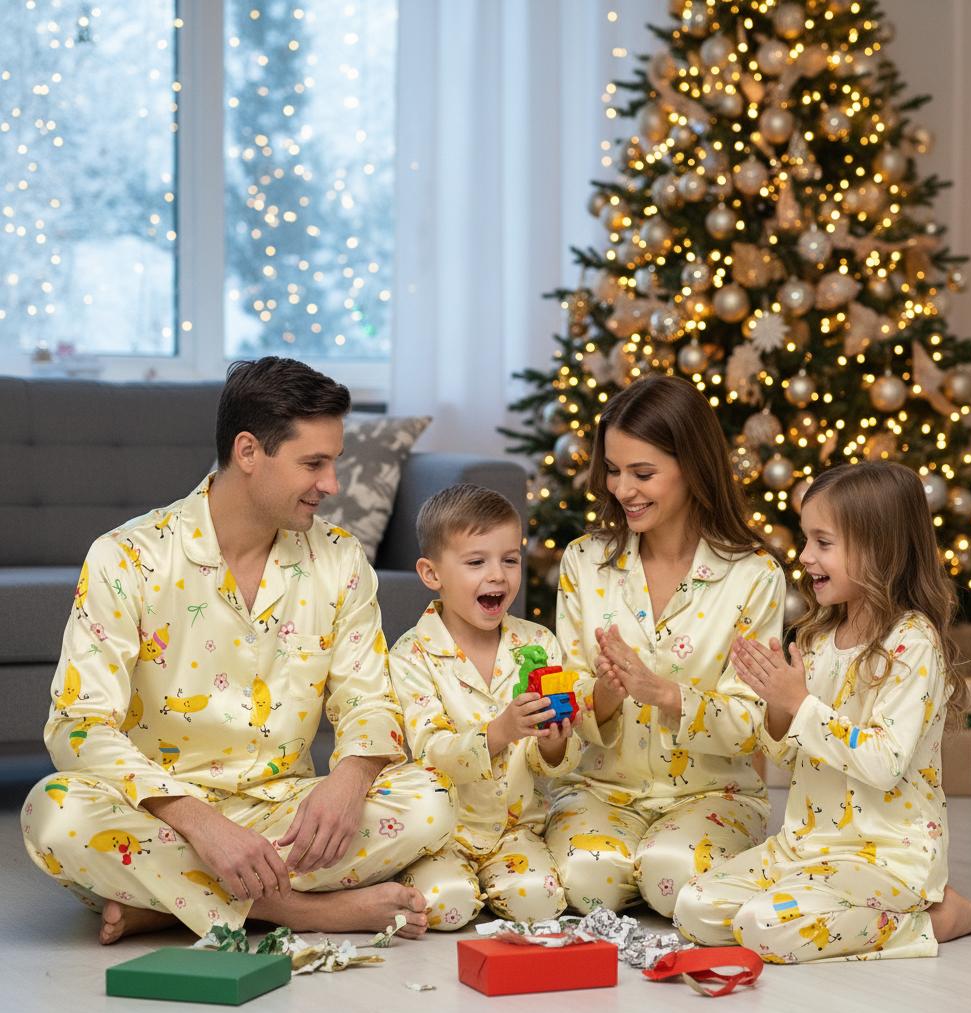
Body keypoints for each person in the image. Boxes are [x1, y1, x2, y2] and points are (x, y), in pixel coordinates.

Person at [21, 357, 454, 944]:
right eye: (314, 463)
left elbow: (369, 703)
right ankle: (300, 912)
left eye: (334, 462)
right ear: (249, 452)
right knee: (55, 814)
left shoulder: (341, 559)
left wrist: (347, 781)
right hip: (161, 815)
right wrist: (199, 822)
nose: (331, 485)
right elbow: (78, 724)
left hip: (283, 812)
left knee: (431, 801)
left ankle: (170, 904)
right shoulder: (126, 557)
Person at [674, 461, 971, 962]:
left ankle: (934, 921)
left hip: (885, 856)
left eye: (823, 543)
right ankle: (815, 906)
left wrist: (799, 704)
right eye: (807, 541)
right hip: (806, 847)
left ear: (878, 550)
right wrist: (779, 706)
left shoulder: (911, 643)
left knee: (764, 928)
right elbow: (786, 754)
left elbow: (883, 763)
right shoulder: (817, 639)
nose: (804, 557)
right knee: (694, 907)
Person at [544, 375, 786, 917]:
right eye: (612, 469)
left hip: (712, 796)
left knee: (673, 873)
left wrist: (664, 694)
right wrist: (605, 693)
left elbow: (754, 721)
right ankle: (633, 866)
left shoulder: (753, 576)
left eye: (643, 473)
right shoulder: (585, 562)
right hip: (599, 791)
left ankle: (657, 866)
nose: (621, 489)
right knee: (587, 883)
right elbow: (563, 701)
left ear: (694, 467)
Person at [390, 484, 580, 929]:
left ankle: (497, 889)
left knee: (541, 905)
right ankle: (452, 883)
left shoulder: (538, 643)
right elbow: (428, 751)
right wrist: (500, 732)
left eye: (510, 559)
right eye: (476, 562)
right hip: (442, 834)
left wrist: (553, 744)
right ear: (431, 573)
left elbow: (553, 763)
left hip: (515, 829)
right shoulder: (410, 656)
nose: (498, 575)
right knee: (446, 907)